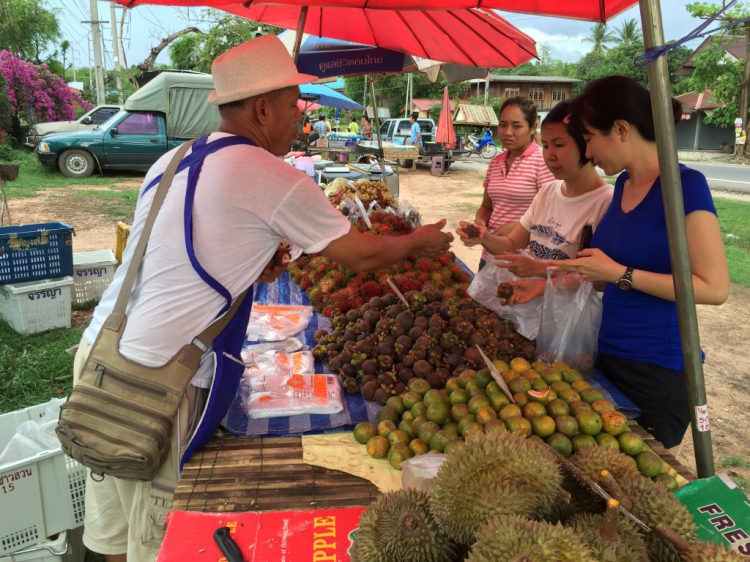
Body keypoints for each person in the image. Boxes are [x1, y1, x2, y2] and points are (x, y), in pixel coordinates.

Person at [75, 34, 453, 562]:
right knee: (153, 542)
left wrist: (251, 265)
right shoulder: (271, 173)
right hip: (159, 380)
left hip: (100, 356)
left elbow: (175, 255)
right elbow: (362, 256)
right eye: (293, 106)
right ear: (261, 108)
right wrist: (421, 241)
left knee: (116, 533)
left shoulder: (173, 159)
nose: (300, 118)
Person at [549, 76, 729, 449]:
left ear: (621, 130)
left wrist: (619, 274)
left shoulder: (685, 186)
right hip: (607, 354)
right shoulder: (623, 186)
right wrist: (589, 273)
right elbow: (610, 274)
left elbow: (714, 288)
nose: (588, 151)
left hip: (657, 369)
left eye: (590, 138)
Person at [457, 99, 613, 304]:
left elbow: (602, 278)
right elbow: (512, 243)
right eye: (546, 145)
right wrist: (484, 237)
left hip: (567, 319)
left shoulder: (606, 202)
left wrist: (543, 273)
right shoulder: (548, 192)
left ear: (586, 143)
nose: (549, 155)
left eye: (559, 145)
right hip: (531, 308)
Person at [474, 97, 555, 270]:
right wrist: (480, 221)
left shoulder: (543, 162)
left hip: (525, 260)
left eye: (516, 126)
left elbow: (553, 217)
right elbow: (487, 207)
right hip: (490, 255)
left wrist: (518, 227)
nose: (508, 132)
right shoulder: (495, 162)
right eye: (503, 125)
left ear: (533, 127)